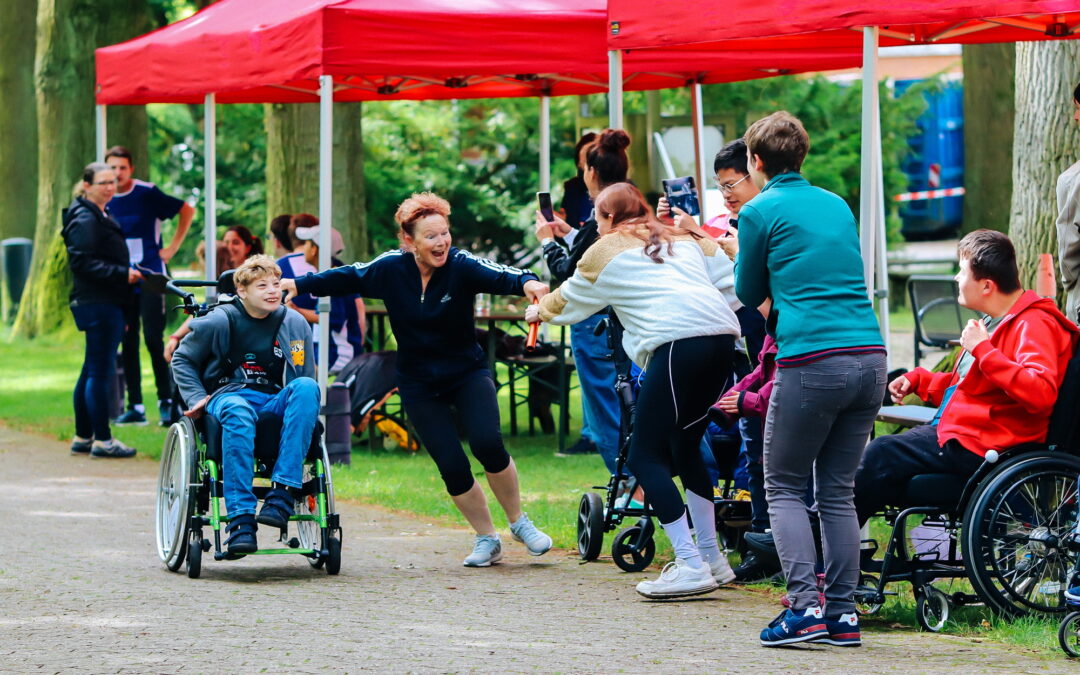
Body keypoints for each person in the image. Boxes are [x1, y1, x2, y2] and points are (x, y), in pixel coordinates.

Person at [282, 192, 553, 567]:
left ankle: (519, 522)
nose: (441, 242)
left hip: (466, 372)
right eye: (431, 236)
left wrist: (528, 283)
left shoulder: (460, 265)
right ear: (409, 241)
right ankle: (487, 538)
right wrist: (300, 285)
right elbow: (350, 275)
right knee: (451, 464)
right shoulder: (391, 268)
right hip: (418, 383)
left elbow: (500, 274)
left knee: (488, 443)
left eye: (444, 234)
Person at [527, 182, 742, 598]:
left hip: (677, 345)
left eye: (596, 217)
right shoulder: (683, 235)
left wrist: (539, 310)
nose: (595, 224)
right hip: (721, 341)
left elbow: (570, 299)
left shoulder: (605, 249)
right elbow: (732, 278)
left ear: (607, 218)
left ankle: (689, 563)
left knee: (644, 455)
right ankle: (713, 559)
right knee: (685, 445)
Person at [728, 112, 886, 647]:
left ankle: (803, 609)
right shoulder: (836, 204)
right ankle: (842, 613)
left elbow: (748, 290)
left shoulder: (759, 210)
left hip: (812, 359)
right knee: (837, 490)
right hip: (870, 354)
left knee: (786, 486)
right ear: (803, 154)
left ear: (755, 161)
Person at [859, 230, 1078, 525]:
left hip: (990, 445)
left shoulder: (1034, 324)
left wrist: (983, 349)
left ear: (987, 285)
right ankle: (834, 549)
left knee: (881, 453)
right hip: (967, 434)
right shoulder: (994, 321)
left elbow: (1039, 393)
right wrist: (921, 381)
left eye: (962, 272)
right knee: (881, 468)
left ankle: (819, 549)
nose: (956, 279)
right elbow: (974, 386)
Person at [171, 255, 320, 554]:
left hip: (272, 398)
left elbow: (302, 373)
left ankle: (283, 493)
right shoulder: (217, 320)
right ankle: (240, 518)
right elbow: (182, 359)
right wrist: (197, 398)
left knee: (307, 386)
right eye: (262, 285)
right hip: (227, 395)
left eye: (276, 284)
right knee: (237, 411)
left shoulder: (294, 323)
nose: (272, 291)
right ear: (242, 291)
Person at [536, 129, 629, 469]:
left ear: (590, 171)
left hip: (595, 320)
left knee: (604, 407)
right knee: (628, 402)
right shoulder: (630, 203)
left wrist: (547, 241)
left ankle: (628, 485)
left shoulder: (602, 212)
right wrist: (570, 233)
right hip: (629, 321)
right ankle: (637, 482)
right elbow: (593, 252)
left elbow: (572, 271)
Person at [104, 146, 195, 427]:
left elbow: (186, 209)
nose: (117, 173)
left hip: (151, 276)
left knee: (154, 338)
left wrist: (172, 248)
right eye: (112, 168)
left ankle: (166, 401)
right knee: (127, 340)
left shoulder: (146, 193)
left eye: (122, 167)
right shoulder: (103, 198)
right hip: (122, 278)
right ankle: (136, 405)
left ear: (131, 169)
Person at [62, 162, 141, 459]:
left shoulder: (98, 213)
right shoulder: (85, 218)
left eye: (113, 182)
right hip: (98, 303)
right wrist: (123, 274)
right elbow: (82, 262)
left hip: (105, 301)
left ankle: (83, 436)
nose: (110, 187)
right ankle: (103, 440)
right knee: (100, 371)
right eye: (103, 182)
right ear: (87, 185)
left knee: (91, 368)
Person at [292, 223, 367, 373]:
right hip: (329, 352)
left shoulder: (335, 280)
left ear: (314, 249)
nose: (303, 248)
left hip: (337, 356)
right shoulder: (335, 274)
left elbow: (332, 318)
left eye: (306, 243)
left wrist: (295, 310)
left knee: (297, 370)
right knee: (295, 361)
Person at [1058, 80, 1080, 324]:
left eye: (1078, 108)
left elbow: (1068, 253)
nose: (1075, 117)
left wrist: (1069, 285)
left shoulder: (1073, 181)